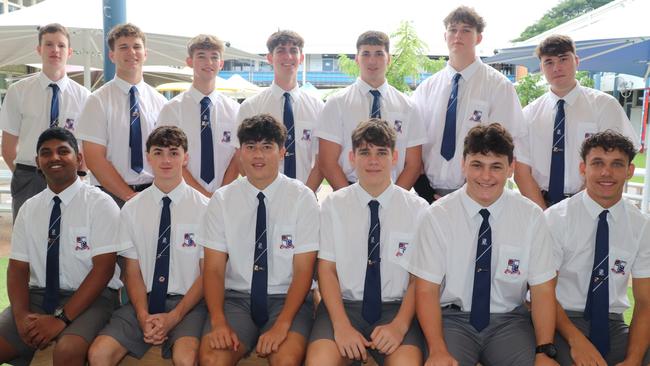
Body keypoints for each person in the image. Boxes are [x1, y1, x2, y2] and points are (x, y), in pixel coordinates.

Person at [407, 123, 559, 365]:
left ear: (511, 168)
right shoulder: (437, 215)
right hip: (451, 319)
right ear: (463, 164)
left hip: (509, 321)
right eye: (477, 165)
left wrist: (544, 351)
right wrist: (437, 349)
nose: (486, 176)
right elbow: (426, 289)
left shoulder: (531, 216)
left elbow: (542, 290)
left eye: (496, 167)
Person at [198, 114, 318, 365]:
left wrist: (283, 324)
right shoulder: (221, 200)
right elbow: (213, 268)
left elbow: (304, 269)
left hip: (287, 299)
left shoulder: (302, 198)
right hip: (236, 298)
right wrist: (218, 321)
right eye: (250, 147)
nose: (258, 155)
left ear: (283, 151)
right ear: (240, 152)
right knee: (212, 359)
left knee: (286, 359)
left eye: (267, 147)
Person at [306, 119, 428, 365]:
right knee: (319, 362)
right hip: (343, 307)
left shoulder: (418, 209)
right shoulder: (333, 205)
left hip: (397, 308)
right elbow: (326, 271)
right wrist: (341, 327)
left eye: (381, 153)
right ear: (352, 157)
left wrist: (400, 326)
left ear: (395, 157)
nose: (373, 161)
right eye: (365, 152)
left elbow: (420, 278)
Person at [0, 127, 121, 366]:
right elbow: (17, 269)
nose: (54, 157)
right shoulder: (29, 208)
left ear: (78, 159)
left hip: (92, 298)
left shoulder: (100, 204)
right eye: (46, 153)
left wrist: (61, 319)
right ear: (38, 162)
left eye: (63, 151)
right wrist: (22, 316)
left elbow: (104, 269)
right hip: (39, 296)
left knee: (67, 350)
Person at [88, 126, 208, 365]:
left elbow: (208, 274)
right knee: (99, 354)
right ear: (148, 157)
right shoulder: (132, 209)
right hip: (144, 301)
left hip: (189, 304)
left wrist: (174, 317)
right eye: (158, 152)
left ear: (186, 158)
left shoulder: (206, 208)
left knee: (185, 359)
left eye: (174, 153)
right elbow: (132, 272)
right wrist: (143, 316)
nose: (166, 159)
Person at [545, 131, 650, 365]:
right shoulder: (556, 218)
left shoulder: (642, 226)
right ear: (583, 169)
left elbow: (644, 303)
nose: (606, 172)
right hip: (562, 319)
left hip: (613, 322)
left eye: (617, 164)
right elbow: (542, 293)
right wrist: (576, 340)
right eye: (598, 163)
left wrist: (633, 360)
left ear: (629, 171)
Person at [411, 6, 525, 203]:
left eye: (466, 30)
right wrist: (426, 193)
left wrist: (469, 192)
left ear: (478, 38)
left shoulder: (498, 86)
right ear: (444, 35)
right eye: (453, 30)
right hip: (429, 195)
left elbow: (505, 145)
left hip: (480, 193)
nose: (458, 36)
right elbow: (414, 145)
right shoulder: (426, 88)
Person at [514, 35, 639, 209]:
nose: (557, 67)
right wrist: (543, 215)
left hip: (592, 204)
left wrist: (576, 209)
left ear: (577, 61)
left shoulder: (604, 106)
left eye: (563, 59)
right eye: (548, 62)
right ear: (541, 68)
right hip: (540, 205)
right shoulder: (528, 114)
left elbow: (621, 159)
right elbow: (521, 170)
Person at [0, 23, 90, 219]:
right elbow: (7, 147)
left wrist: (80, 176)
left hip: (70, 178)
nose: (55, 50)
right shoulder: (18, 91)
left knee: (70, 237)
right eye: (49, 44)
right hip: (29, 177)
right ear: (39, 49)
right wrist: (27, 174)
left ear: (70, 52)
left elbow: (86, 146)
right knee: (28, 242)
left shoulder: (84, 96)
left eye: (61, 45)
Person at [317, 30, 425, 191]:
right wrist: (349, 200)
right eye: (366, 54)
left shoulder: (408, 107)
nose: (372, 60)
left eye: (379, 54)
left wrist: (394, 200)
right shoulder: (337, 104)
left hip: (393, 192)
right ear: (356, 59)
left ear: (389, 59)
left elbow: (414, 164)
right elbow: (327, 161)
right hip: (349, 190)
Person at [76, 23, 167, 207]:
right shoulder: (97, 101)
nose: (131, 52)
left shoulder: (161, 102)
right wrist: (129, 196)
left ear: (145, 53)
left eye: (136, 47)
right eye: (123, 47)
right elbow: (94, 159)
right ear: (112, 55)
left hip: (153, 194)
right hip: (109, 196)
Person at [237, 30, 324, 192]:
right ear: (269, 58)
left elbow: (322, 161)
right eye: (281, 51)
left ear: (301, 57)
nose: (288, 56)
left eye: (293, 51)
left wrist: (305, 195)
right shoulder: (251, 107)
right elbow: (242, 158)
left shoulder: (318, 107)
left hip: (306, 197)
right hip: (263, 196)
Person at [157, 34, 240, 197]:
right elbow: (168, 158)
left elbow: (237, 158)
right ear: (189, 62)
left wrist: (219, 196)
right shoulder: (172, 110)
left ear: (221, 64)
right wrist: (202, 196)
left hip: (224, 198)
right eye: (201, 57)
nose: (208, 63)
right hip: (182, 196)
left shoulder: (235, 110)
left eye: (214, 57)